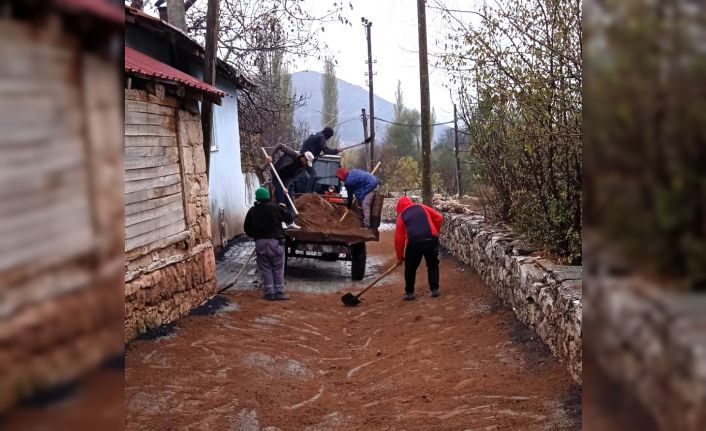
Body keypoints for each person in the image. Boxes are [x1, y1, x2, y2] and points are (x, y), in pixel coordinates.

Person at [243, 187, 292, 301]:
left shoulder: (252, 211)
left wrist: (256, 237)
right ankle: (279, 291)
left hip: (260, 243)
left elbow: (247, 228)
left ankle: (269, 293)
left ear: (257, 198)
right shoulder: (275, 208)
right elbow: (289, 219)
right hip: (275, 242)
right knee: (278, 267)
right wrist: (285, 206)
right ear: (268, 197)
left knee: (265, 267)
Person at [394, 195, 444, 301]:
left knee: (410, 269)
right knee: (433, 265)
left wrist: (400, 257)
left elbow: (399, 239)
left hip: (414, 244)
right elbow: (439, 218)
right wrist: (435, 231)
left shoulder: (402, 216)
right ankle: (435, 289)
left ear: (399, 207)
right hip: (431, 239)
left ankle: (410, 293)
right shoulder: (422, 207)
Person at [266, 143, 314, 228]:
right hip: (277, 175)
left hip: (287, 179)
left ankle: (290, 221)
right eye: (307, 162)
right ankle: (281, 222)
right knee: (281, 200)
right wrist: (271, 156)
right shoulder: (293, 154)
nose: (306, 164)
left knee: (290, 201)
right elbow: (279, 145)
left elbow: (292, 177)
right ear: (304, 158)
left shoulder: (302, 167)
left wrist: (286, 187)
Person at [299, 127, 341, 192]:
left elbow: (305, 143)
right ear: (328, 135)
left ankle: (311, 192)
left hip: (303, 156)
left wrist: (315, 154)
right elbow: (326, 151)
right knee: (313, 174)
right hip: (306, 158)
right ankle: (308, 193)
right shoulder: (321, 137)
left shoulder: (316, 134)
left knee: (314, 175)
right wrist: (336, 150)